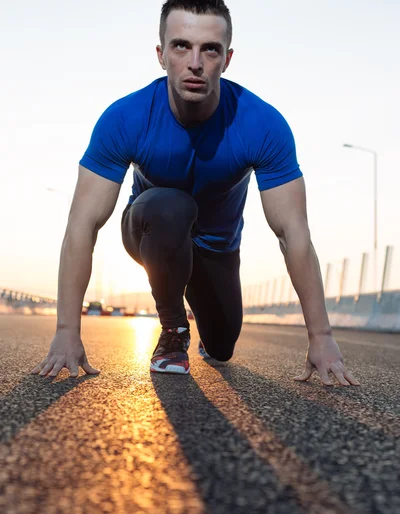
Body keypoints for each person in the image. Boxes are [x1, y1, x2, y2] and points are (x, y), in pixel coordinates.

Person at [32, 0, 360, 386]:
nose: (195, 62)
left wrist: (321, 337)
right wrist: (67, 330)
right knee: (171, 205)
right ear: (161, 54)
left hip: (216, 248)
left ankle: (205, 328)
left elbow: (294, 234)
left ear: (227, 58)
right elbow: (81, 226)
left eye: (210, 49)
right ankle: (173, 331)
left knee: (222, 347)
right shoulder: (126, 119)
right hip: (151, 226)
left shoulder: (261, 125)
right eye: (181, 46)